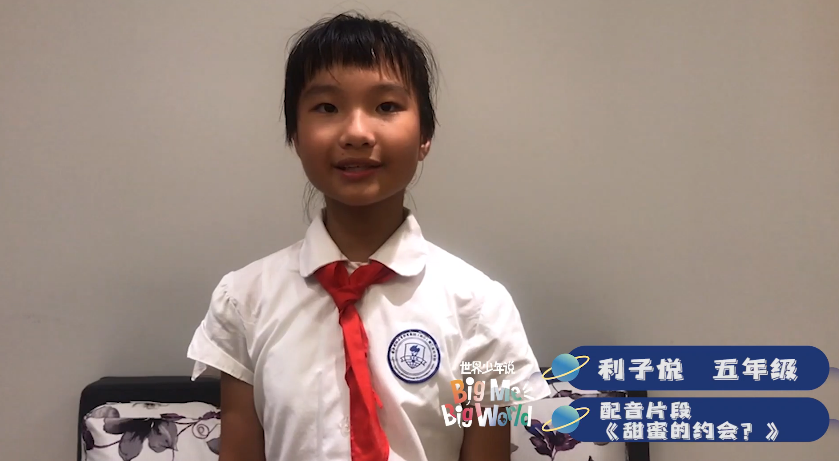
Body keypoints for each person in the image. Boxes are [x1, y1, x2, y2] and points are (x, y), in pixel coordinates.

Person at [187, 11, 549, 461]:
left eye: (386, 106)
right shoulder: (243, 301)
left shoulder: (480, 308)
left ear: (425, 135)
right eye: (327, 107)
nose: (357, 133)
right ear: (295, 135)